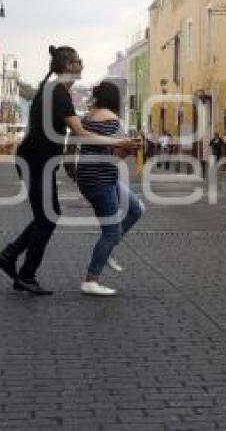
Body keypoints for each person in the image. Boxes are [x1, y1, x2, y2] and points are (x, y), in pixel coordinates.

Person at [0, 45, 138, 296]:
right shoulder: (57, 93)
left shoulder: (54, 90)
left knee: (47, 216)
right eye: (79, 61)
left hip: (38, 161)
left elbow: (72, 133)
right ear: (69, 66)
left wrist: (70, 159)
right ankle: (25, 273)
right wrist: (118, 142)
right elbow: (80, 132)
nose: (82, 64)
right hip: (35, 163)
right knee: (48, 217)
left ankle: (10, 255)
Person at [76, 80, 144, 296]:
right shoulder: (114, 122)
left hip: (91, 176)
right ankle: (91, 280)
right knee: (111, 231)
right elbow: (117, 156)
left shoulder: (86, 119)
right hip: (101, 178)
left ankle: (107, 249)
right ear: (115, 99)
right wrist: (131, 148)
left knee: (135, 208)